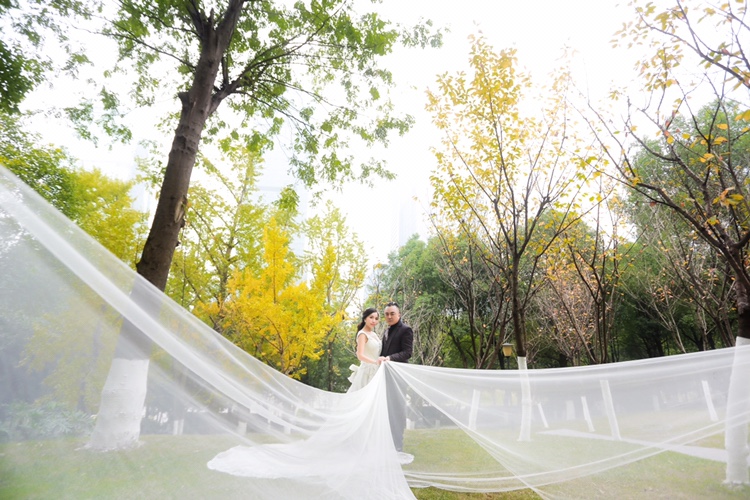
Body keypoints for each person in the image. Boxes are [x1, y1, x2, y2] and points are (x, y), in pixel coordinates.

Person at [378, 301, 413, 456]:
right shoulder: (386, 331)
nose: (389, 316)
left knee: (397, 411)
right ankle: (388, 443)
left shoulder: (406, 330)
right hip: (385, 377)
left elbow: (407, 352)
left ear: (399, 314)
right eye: (386, 314)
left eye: (392, 313)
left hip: (398, 377)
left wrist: (389, 358)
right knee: (386, 411)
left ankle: (398, 446)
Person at [346, 307, 383, 392]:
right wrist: (375, 362)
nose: (374, 321)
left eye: (376, 318)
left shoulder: (373, 334)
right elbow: (360, 355)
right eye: (371, 317)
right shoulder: (362, 334)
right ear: (365, 318)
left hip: (377, 370)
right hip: (367, 372)